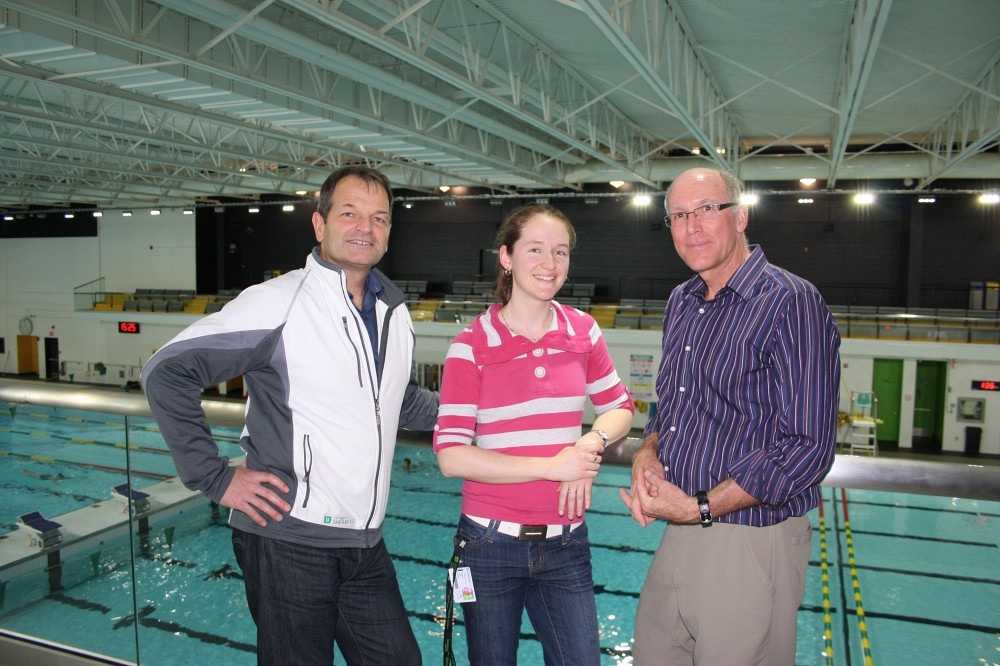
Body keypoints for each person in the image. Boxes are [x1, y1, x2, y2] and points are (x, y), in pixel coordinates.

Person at [141, 166, 438, 666]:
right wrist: (214, 478)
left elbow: (397, 400)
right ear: (319, 224)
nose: (365, 227)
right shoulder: (278, 303)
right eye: (350, 213)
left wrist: (475, 412)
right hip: (288, 538)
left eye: (378, 217)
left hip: (364, 543)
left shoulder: (394, 311)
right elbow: (165, 372)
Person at [620, 167, 841, 665]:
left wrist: (700, 506)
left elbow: (807, 447)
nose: (691, 226)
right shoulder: (683, 301)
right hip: (682, 526)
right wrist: (646, 455)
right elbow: (670, 406)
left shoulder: (791, 302)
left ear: (740, 217)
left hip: (751, 537)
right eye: (678, 215)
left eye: (706, 210)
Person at [434, 203, 634, 665]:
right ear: (506, 256)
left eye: (560, 252)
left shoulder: (582, 331)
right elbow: (451, 455)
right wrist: (554, 466)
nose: (549, 264)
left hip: (567, 543)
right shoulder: (471, 346)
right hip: (488, 546)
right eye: (536, 250)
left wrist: (589, 444)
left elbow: (620, 407)